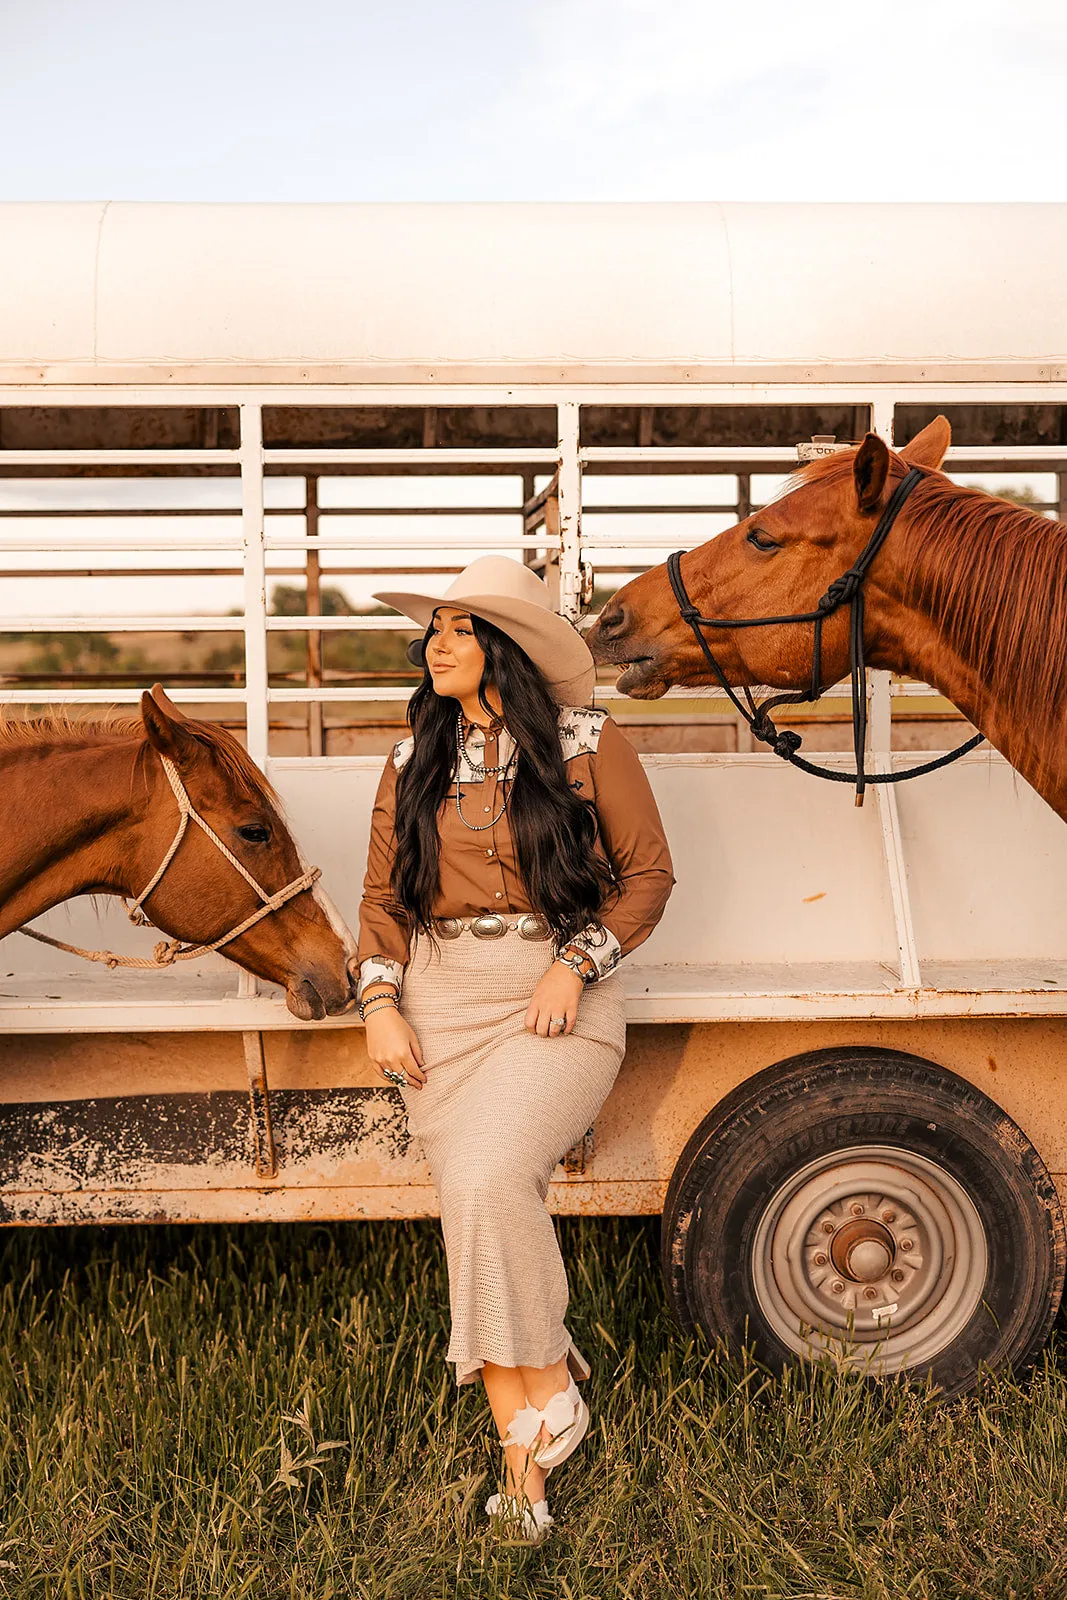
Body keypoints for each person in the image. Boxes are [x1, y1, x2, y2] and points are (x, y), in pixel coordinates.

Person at [355, 555, 674, 1543]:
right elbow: (379, 901)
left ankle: (544, 1407)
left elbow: (647, 877)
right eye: (433, 628)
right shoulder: (413, 758)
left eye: (457, 625)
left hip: (554, 994)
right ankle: (526, 1450)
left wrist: (572, 965)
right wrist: (379, 1003)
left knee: (491, 1177)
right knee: (474, 1204)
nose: (434, 642)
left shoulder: (585, 742)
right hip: (437, 1003)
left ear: (507, 647)